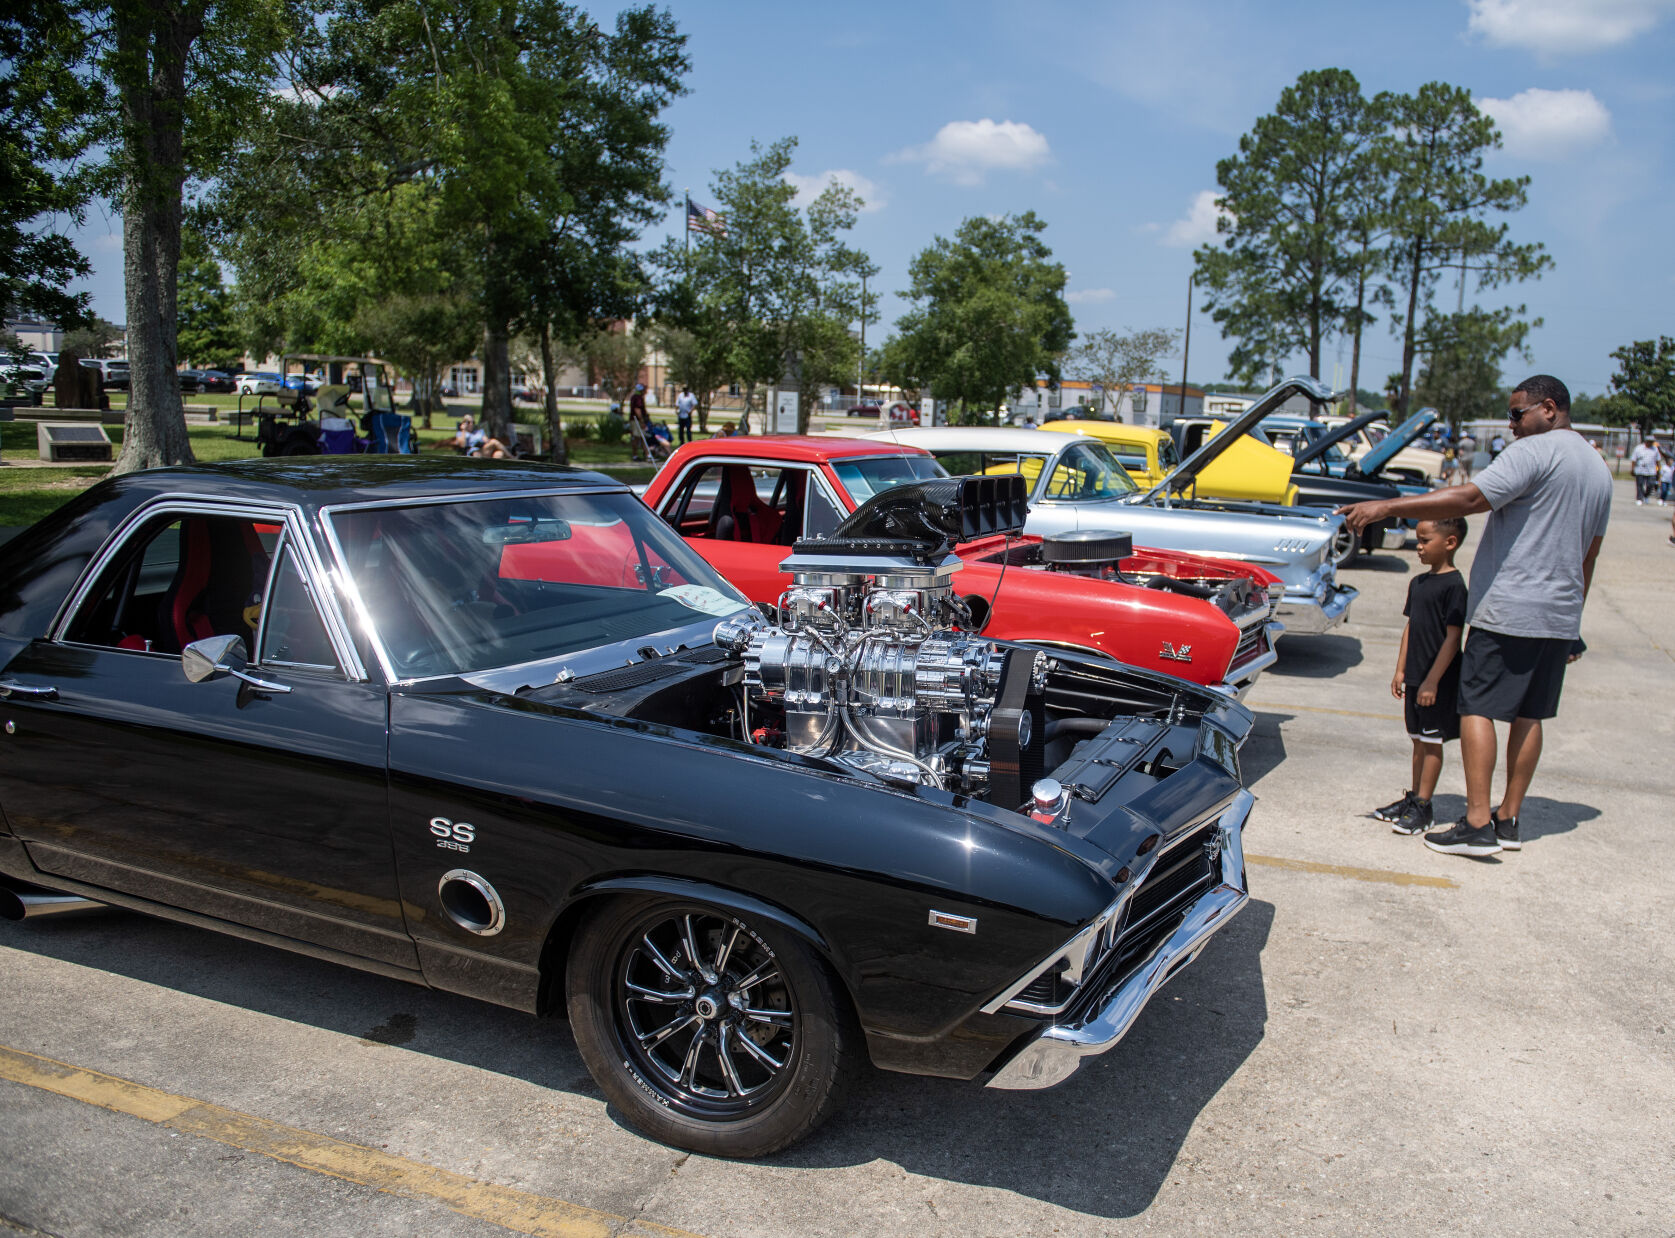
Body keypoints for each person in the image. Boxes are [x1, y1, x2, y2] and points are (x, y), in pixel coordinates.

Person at [1337, 375, 1612, 858]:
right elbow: (1588, 556)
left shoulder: (1535, 451)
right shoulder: (1598, 469)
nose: (1511, 426)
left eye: (1517, 414)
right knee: (1530, 714)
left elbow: (1469, 500)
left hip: (1509, 608)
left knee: (1475, 708)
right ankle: (1509, 819)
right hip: (1558, 613)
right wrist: (1572, 623)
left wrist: (1386, 506)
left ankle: (1478, 822)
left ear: (1548, 409)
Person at [1372, 518, 1468, 836]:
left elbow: (1453, 638)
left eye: (1426, 541)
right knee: (1417, 739)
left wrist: (1432, 681)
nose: (1420, 547)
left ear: (1450, 542)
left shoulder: (1455, 586)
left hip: (1437, 681)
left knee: (1431, 742)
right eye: (1419, 540)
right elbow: (1411, 627)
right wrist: (1401, 669)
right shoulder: (1418, 583)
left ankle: (1424, 807)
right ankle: (1413, 798)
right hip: (1415, 677)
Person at [1629, 436, 1660, 504]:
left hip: (1651, 470)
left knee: (1650, 484)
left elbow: (1658, 460)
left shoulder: (1655, 449)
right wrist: (1633, 469)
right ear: (1646, 441)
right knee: (1640, 484)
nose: (1651, 443)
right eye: (1649, 442)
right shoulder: (1639, 448)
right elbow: (1634, 459)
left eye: (1652, 442)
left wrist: (1658, 470)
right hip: (1640, 469)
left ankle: (1646, 496)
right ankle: (1639, 498)